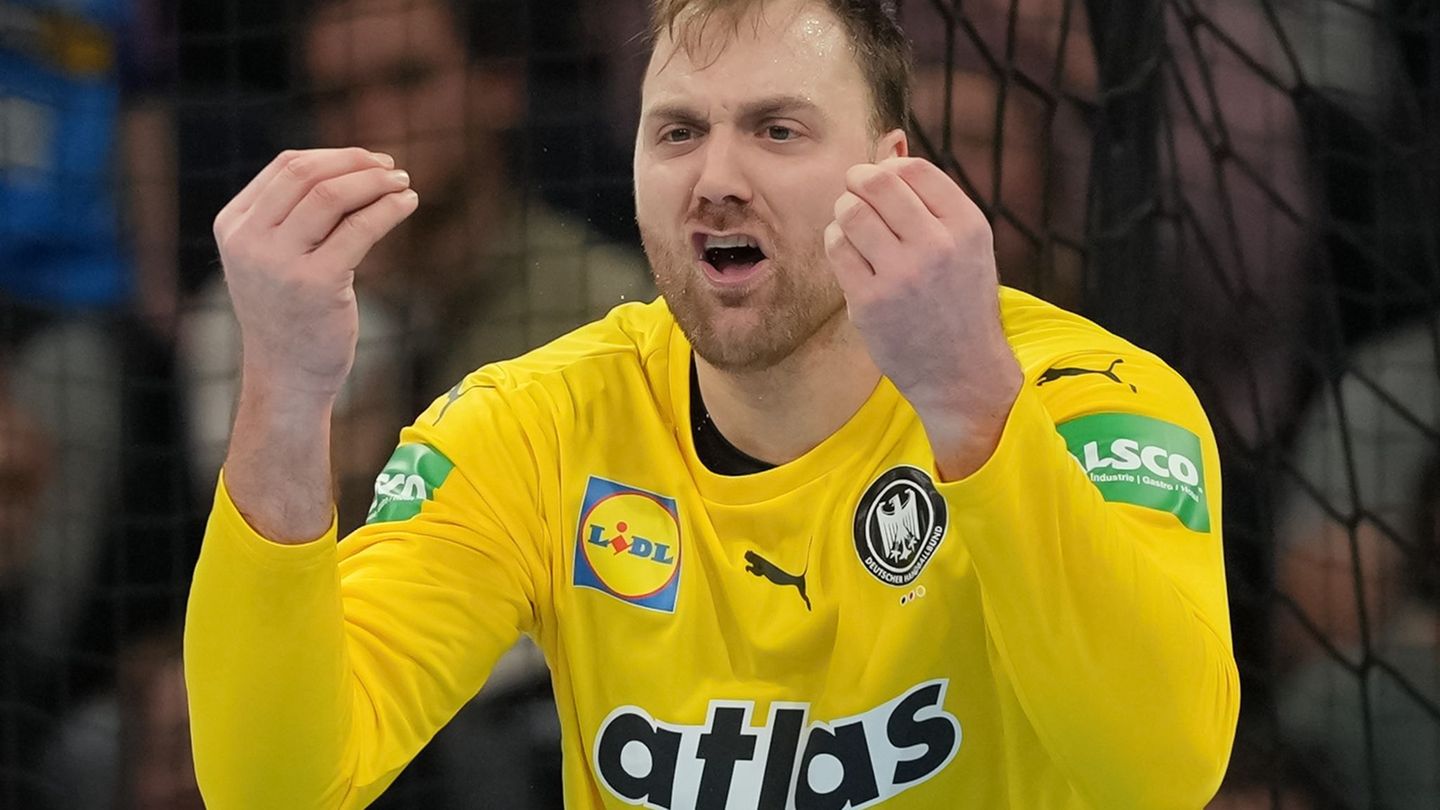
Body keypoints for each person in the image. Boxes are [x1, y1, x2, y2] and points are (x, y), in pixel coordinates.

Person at [184, 0, 1240, 807]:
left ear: (891, 175)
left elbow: (1161, 772)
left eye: (777, 131)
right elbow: (278, 784)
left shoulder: (1085, 399)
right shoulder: (534, 423)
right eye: (677, 133)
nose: (715, 179)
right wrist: (284, 392)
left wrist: (971, 405)